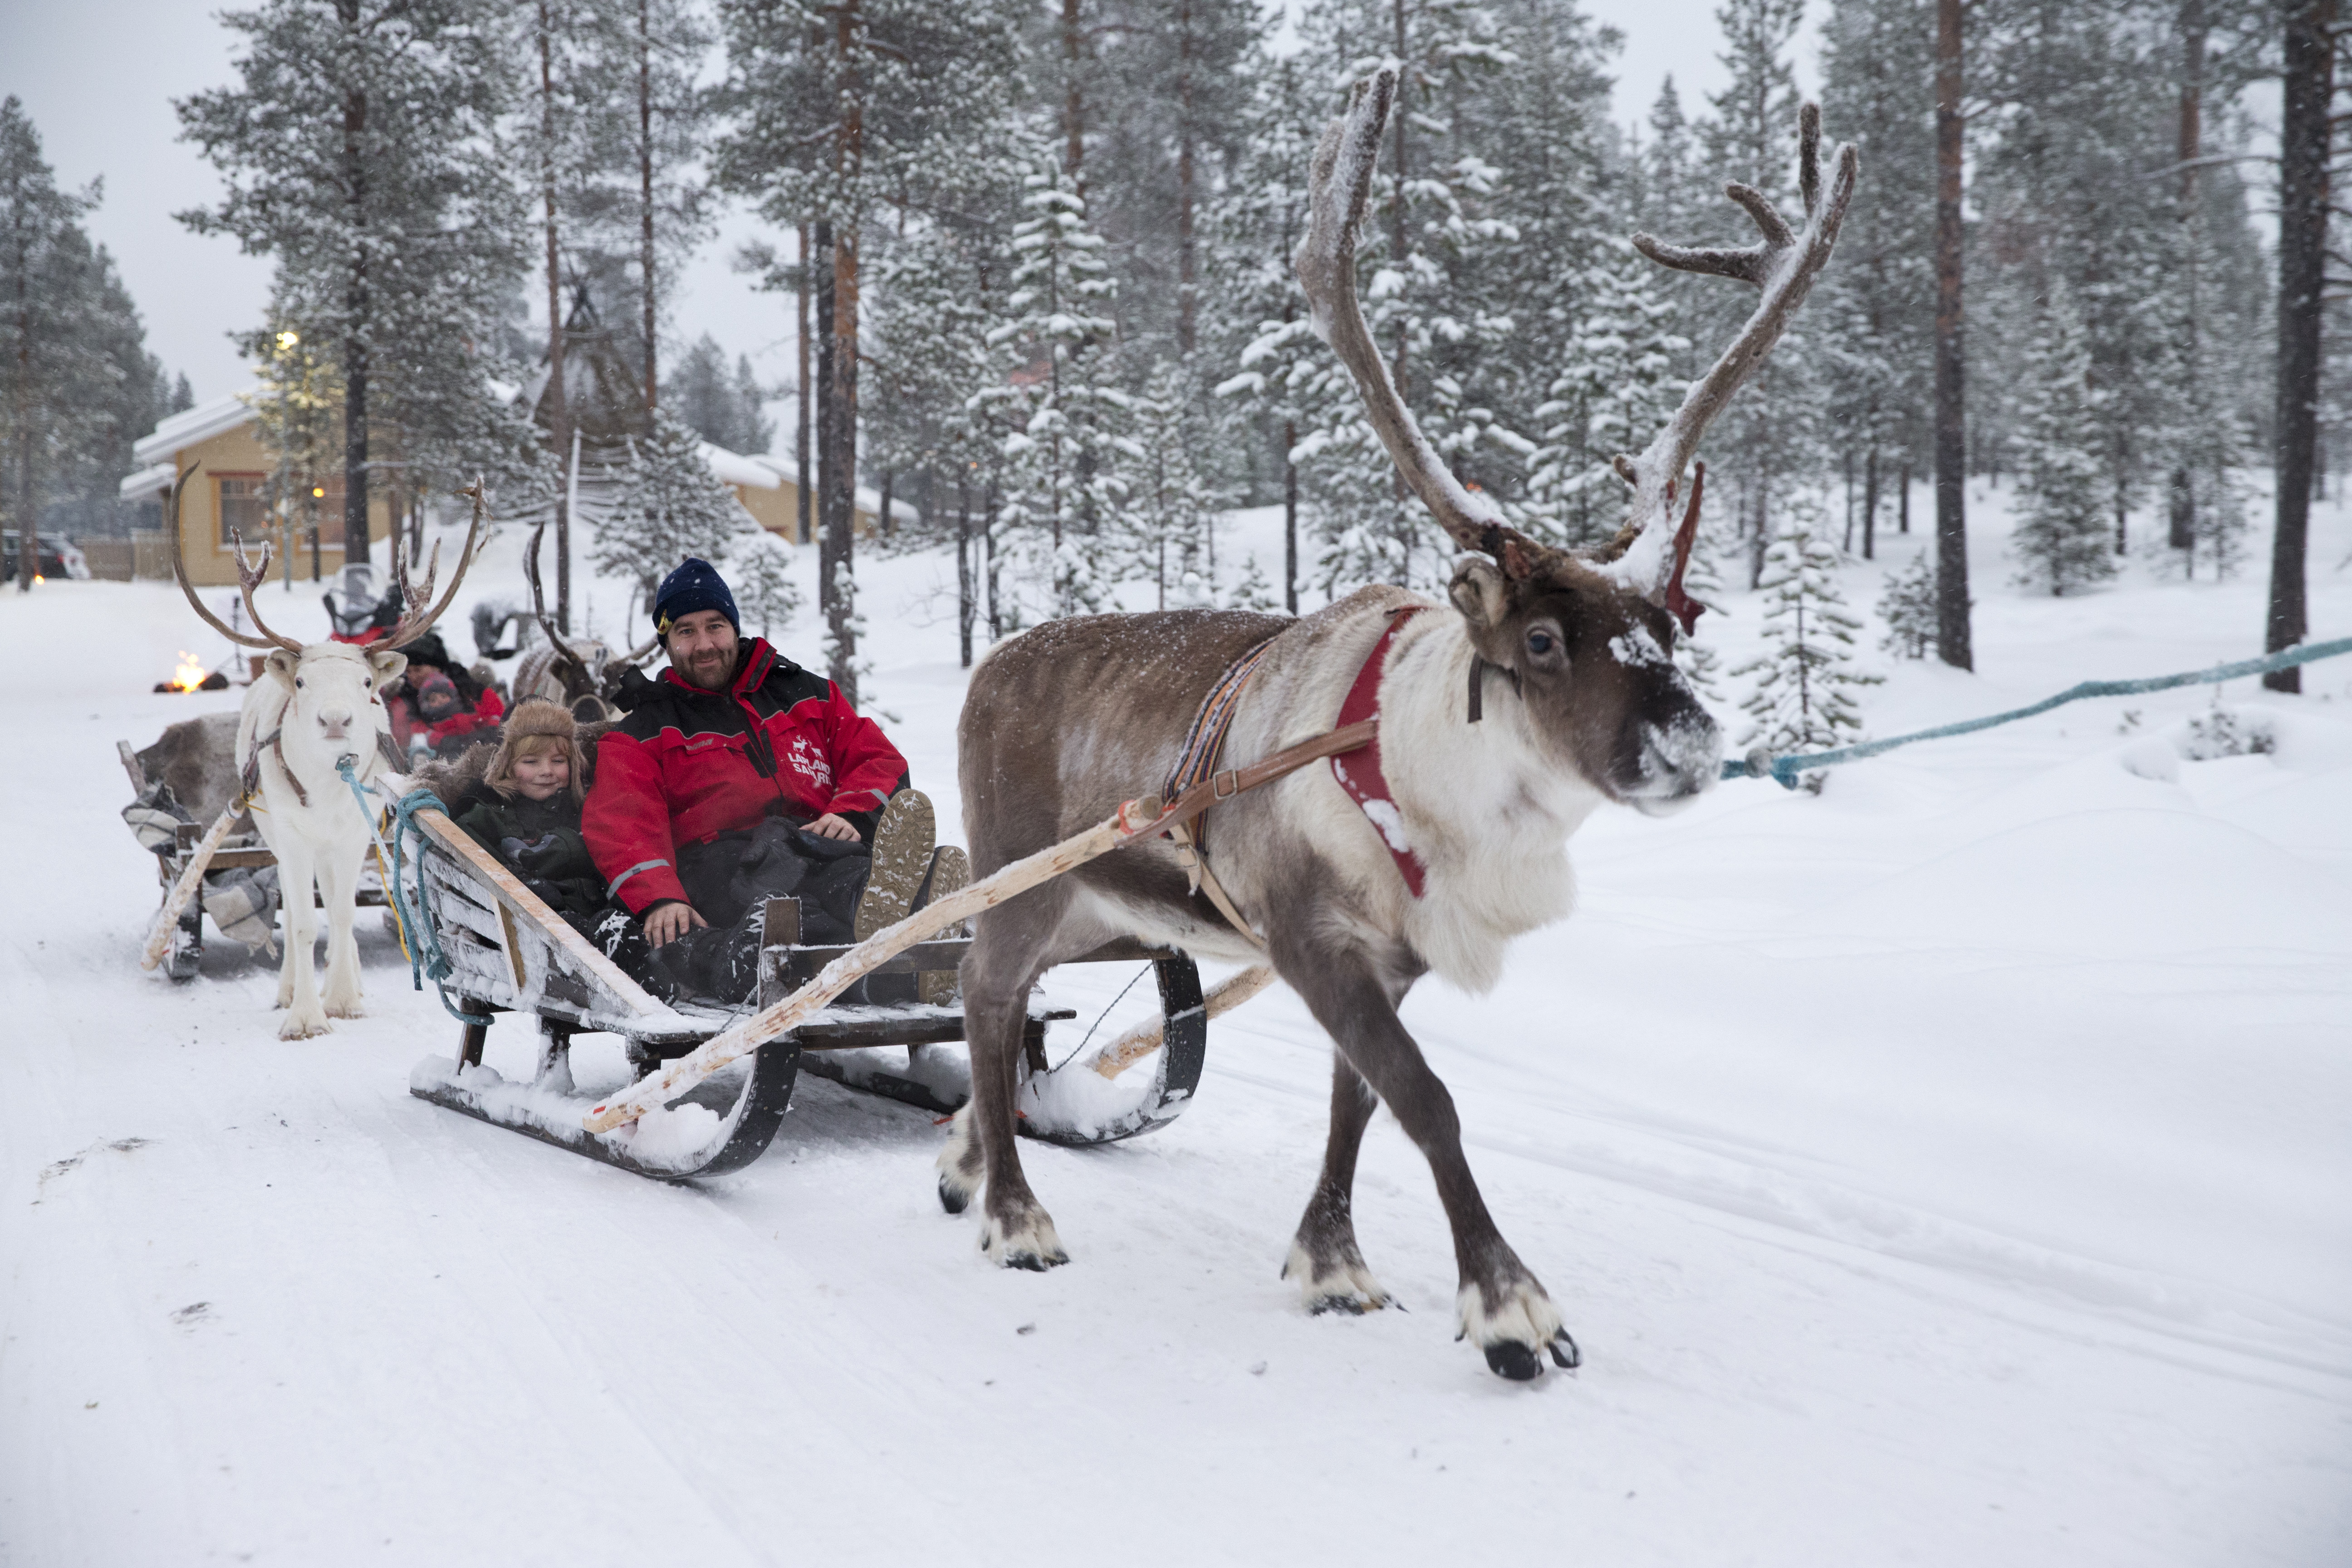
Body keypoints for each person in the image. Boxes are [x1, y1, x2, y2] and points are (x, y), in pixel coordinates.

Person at [583, 557, 941, 1003]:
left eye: (715, 626)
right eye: (686, 631)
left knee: (846, 874)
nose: (704, 644)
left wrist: (850, 810)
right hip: (717, 866)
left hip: (814, 841)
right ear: (667, 643)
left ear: (734, 627)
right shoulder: (643, 731)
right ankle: (902, 952)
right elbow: (620, 822)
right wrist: (660, 897)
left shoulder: (806, 693)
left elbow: (874, 757)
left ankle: (896, 898)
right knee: (794, 913)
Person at [424, 698, 674, 1001]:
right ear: (509, 767)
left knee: (633, 926)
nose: (547, 771)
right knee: (596, 931)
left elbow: (613, 857)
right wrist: (525, 889)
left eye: (559, 762)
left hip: (597, 912)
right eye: (531, 762)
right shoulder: (486, 814)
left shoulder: (587, 810)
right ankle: (642, 981)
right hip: (532, 929)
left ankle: (682, 967)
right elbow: (471, 868)